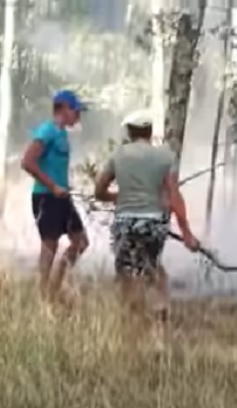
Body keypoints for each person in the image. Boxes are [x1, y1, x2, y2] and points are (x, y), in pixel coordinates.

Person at [93, 110, 198, 316]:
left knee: (126, 270)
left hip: (125, 222)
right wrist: (186, 233)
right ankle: (161, 305)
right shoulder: (166, 156)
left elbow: (99, 191)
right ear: (149, 132)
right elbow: (174, 196)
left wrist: (117, 197)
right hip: (154, 222)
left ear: (129, 132)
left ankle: (132, 312)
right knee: (152, 263)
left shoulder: (118, 155)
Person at [20, 89, 89, 303]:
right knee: (49, 247)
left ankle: (55, 286)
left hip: (61, 197)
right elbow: (27, 162)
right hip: (45, 197)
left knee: (81, 242)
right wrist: (52, 186)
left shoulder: (62, 133)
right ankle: (42, 296)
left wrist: (63, 187)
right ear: (63, 109)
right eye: (76, 111)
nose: (78, 116)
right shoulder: (47, 131)